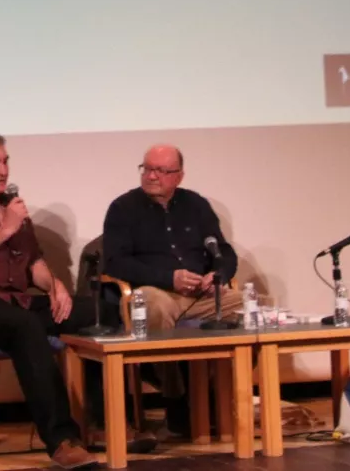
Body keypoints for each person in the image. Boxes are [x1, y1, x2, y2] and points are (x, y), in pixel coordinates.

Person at [0, 134, 152, 468]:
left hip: (14, 302)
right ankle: (61, 440)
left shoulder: (10, 207)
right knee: (25, 325)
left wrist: (54, 285)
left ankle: (102, 423)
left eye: (5, 161)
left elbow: (32, 263)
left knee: (98, 313)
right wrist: (5, 229)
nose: (3, 170)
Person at [100, 144, 243, 431]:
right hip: (155, 291)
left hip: (200, 296)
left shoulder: (196, 205)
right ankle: (175, 396)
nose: (152, 176)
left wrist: (217, 275)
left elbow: (224, 251)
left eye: (161, 171)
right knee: (152, 305)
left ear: (179, 176)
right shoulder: (123, 208)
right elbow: (115, 263)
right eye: (147, 169)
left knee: (249, 307)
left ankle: (219, 392)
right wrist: (169, 278)